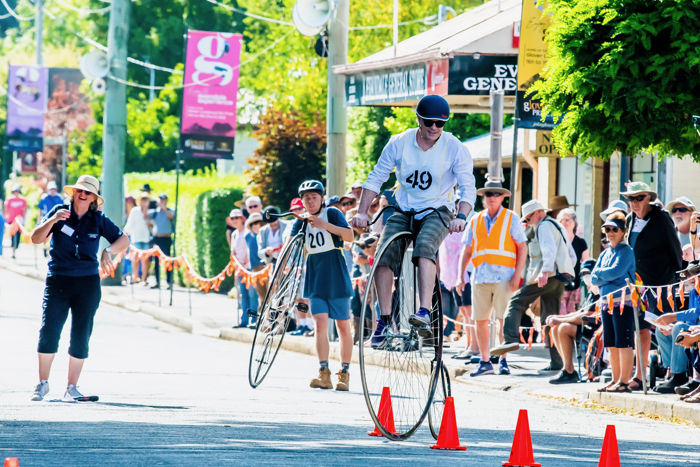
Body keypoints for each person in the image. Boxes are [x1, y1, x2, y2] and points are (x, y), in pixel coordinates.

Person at [351, 94, 476, 346]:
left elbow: (467, 187)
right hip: (404, 208)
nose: (433, 127)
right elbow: (376, 178)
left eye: (440, 123)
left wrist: (461, 216)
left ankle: (423, 312)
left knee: (423, 250)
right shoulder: (399, 143)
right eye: (429, 121)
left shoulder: (454, 147)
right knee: (383, 257)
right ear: (418, 119)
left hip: (438, 210)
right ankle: (384, 320)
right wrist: (363, 211)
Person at [29, 175, 129, 402]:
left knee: (81, 334)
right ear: (73, 193)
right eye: (79, 191)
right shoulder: (59, 211)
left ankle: (71, 387)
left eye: (88, 192)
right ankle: (42, 384)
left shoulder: (98, 219)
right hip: (58, 280)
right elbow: (36, 238)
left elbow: (124, 240)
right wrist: (52, 221)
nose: (82, 195)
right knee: (49, 329)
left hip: (87, 282)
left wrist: (108, 251)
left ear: (94, 198)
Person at [490, 199, 574, 371]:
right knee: (550, 320)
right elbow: (567, 253)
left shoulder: (544, 226)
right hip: (559, 277)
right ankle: (557, 362)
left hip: (548, 275)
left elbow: (548, 249)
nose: (527, 223)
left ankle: (510, 339)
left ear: (538, 213)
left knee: (515, 302)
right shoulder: (553, 225)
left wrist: (545, 271)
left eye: (528, 219)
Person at [457, 180, 528, 376]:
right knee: (480, 320)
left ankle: (503, 360)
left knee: (502, 320)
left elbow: (522, 247)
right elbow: (467, 250)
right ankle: (485, 361)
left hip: (504, 277)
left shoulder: (511, 218)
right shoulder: (475, 219)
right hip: (480, 277)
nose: (492, 198)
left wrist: (517, 275)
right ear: (483, 197)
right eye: (489, 194)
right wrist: (459, 276)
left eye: (496, 194)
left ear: (503, 197)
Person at [290, 180, 354, 391]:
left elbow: (350, 236)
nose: (310, 201)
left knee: (343, 325)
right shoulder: (301, 221)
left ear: (322, 199)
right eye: (306, 198)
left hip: (335, 274)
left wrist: (324, 225)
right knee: (319, 325)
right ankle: (324, 372)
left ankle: (344, 372)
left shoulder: (333, 214)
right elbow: (290, 247)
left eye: (314, 197)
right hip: (315, 277)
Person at [622, 181, 683, 391]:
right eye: (631, 199)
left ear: (649, 198)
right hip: (638, 285)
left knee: (665, 327)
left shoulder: (661, 218)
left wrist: (675, 282)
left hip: (661, 285)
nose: (635, 203)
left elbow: (675, 249)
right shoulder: (630, 220)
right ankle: (640, 375)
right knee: (640, 328)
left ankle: (675, 372)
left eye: (640, 198)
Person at [591, 213, 636, 392]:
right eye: (607, 229)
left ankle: (624, 381)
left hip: (623, 302)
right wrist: (604, 276)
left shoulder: (627, 252)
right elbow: (593, 277)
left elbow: (616, 271)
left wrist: (602, 276)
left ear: (623, 231)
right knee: (610, 341)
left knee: (623, 341)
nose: (610, 233)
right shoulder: (605, 253)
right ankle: (615, 379)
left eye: (614, 229)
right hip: (605, 303)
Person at [557, 208, 589, 315]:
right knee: (558, 316)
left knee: (572, 316)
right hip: (559, 285)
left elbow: (586, 263)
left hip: (575, 286)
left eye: (568, 220)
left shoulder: (580, 242)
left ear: (574, 222)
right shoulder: (557, 240)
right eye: (562, 220)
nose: (565, 223)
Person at [230, 208, 258, 328]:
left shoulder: (248, 231)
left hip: (249, 268)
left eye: (237, 217)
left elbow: (249, 249)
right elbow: (233, 251)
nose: (235, 220)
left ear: (242, 219)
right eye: (232, 218)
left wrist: (245, 262)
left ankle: (253, 319)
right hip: (239, 269)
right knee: (242, 295)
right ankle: (244, 320)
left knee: (252, 294)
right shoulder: (234, 234)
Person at [123, 192, 153, 285]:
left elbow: (151, 225)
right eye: (143, 200)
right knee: (135, 259)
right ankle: (134, 277)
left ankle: (144, 279)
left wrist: (145, 214)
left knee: (145, 260)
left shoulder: (150, 212)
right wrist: (126, 232)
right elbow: (130, 223)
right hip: (136, 238)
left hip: (146, 238)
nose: (144, 202)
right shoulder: (135, 210)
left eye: (146, 200)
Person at [149, 194, 175, 289]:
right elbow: (146, 218)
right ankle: (157, 282)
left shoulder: (170, 211)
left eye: (164, 200)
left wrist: (164, 208)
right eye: (161, 200)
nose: (162, 202)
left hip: (166, 239)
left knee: (167, 260)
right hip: (157, 239)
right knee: (156, 261)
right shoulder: (155, 212)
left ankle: (169, 282)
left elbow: (171, 217)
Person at [245, 212, 265, 328]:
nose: (256, 225)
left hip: (266, 267)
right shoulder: (248, 237)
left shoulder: (265, 234)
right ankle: (260, 320)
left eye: (258, 222)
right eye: (253, 223)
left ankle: (268, 321)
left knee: (270, 295)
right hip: (255, 269)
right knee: (260, 295)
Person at [666, 196, 696, 261]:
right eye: (674, 210)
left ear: (691, 213)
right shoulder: (667, 236)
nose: (677, 213)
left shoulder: (698, 235)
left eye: (682, 210)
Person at [5, 185, 27, 259]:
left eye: (17, 192)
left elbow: (24, 211)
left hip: (19, 221)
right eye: (15, 192)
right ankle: (13, 251)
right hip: (11, 220)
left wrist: (24, 220)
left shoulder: (22, 200)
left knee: (17, 236)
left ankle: (16, 246)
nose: (16, 193)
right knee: (12, 236)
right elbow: (6, 210)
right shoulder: (9, 200)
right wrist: (6, 219)